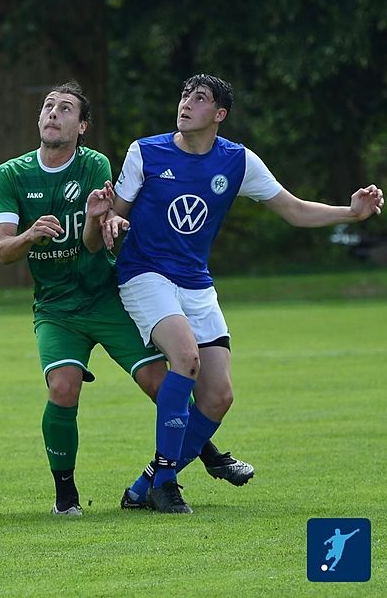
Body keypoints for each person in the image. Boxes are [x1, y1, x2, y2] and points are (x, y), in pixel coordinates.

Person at [85, 73, 383, 513]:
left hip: (197, 283)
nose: (186, 103)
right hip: (145, 274)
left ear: (219, 115)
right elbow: (111, 222)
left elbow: (295, 210)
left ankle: (141, 486)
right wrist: (106, 221)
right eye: (184, 94)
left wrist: (352, 213)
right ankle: (166, 483)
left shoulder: (238, 161)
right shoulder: (145, 152)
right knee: (185, 358)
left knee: (218, 397)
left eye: (199, 98)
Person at [0, 81, 171, 516]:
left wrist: (94, 220)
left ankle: (186, 464)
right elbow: (2, 250)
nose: (54, 113)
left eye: (66, 108)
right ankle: (65, 496)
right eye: (48, 106)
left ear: (82, 125)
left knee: (161, 386)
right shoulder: (10, 174)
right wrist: (30, 235)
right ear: (39, 119)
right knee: (63, 387)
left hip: (105, 297)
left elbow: (93, 245)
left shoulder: (94, 166)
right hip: (56, 308)